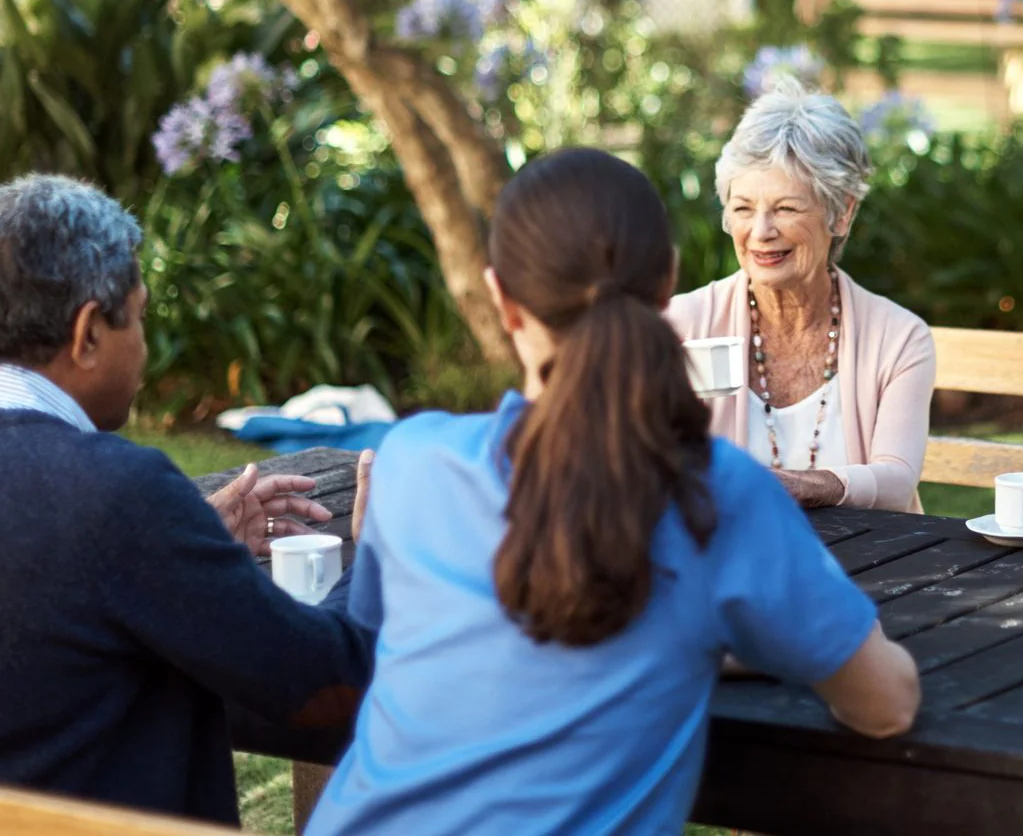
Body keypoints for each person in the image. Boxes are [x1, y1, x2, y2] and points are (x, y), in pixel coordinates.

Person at [308, 148, 919, 836]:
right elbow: (887, 703)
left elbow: (401, 651)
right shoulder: (718, 492)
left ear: (502, 301)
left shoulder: (411, 461)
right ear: (667, 293)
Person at [0, 175, 374, 824]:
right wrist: (381, 551)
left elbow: (42, 612)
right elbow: (325, 687)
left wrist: (188, 545)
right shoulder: (111, 493)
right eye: (137, 316)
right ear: (86, 334)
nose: (143, 344)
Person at [668, 84, 936, 512]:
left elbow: (897, 481)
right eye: (742, 208)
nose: (760, 232)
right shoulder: (681, 325)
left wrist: (811, 486)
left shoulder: (898, 339)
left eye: (786, 209)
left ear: (842, 212)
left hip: (867, 571)